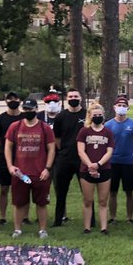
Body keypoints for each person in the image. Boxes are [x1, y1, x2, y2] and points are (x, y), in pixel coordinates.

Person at [4, 98, 56, 239]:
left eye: (31, 109)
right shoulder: (15, 126)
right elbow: (8, 147)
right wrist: (10, 166)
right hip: (20, 173)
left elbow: (51, 149)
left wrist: (47, 168)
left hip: (40, 173)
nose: (28, 112)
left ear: (36, 110)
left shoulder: (44, 128)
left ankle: (43, 230)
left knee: (41, 203)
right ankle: (17, 229)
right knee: (19, 203)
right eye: (26, 109)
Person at [76, 102, 114, 235]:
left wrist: (98, 164)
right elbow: (81, 151)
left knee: (103, 200)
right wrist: (90, 165)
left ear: (103, 116)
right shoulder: (84, 131)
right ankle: (87, 227)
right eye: (95, 115)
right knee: (88, 200)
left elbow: (109, 152)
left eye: (99, 114)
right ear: (90, 116)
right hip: (86, 170)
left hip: (104, 169)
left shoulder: (108, 132)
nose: (97, 117)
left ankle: (104, 228)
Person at [52, 87, 86, 227]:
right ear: (66, 99)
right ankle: (58, 220)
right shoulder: (61, 116)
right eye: (70, 97)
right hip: (64, 159)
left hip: (83, 159)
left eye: (75, 96)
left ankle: (91, 220)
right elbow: (57, 138)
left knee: (87, 192)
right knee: (61, 192)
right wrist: (64, 151)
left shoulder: (86, 115)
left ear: (81, 98)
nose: (73, 99)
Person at [105, 94, 133, 226]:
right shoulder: (108, 125)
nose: (121, 108)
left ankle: (129, 217)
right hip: (112, 162)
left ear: (128, 108)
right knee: (112, 192)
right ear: (114, 107)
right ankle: (112, 217)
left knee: (129, 192)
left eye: (124, 106)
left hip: (128, 162)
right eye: (119, 105)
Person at [0, 91, 23, 226]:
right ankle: (3, 216)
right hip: (5, 159)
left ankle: (24, 216)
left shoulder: (24, 117)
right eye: (9, 99)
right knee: (4, 188)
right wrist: (7, 152)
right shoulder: (0, 119)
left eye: (15, 98)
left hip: (24, 158)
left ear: (20, 100)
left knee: (23, 187)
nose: (12, 101)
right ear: (5, 101)